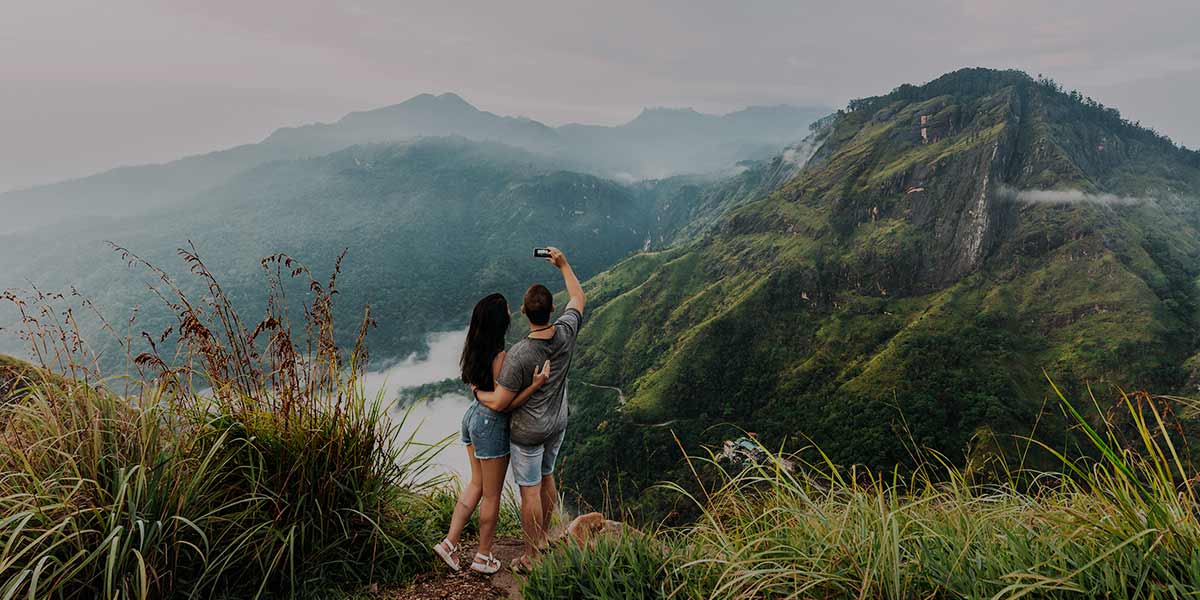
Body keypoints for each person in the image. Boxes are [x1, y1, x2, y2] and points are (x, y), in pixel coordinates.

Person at [474, 247, 585, 572]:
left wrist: (478, 391)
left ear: (523, 311)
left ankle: (532, 555)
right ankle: (545, 538)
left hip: (529, 431)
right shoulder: (566, 331)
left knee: (530, 491)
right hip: (558, 422)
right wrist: (564, 264)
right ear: (553, 309)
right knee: (548, 477)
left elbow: (499, 402)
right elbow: (578, 298)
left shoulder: (520, 354)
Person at [433, 293, 550, 574]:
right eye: (508, 310)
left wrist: (477, 392)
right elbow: (503, 403)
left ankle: (449, 543)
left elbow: (478, 388)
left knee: (476, 484)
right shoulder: (500, 357)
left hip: (472, 417)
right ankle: (483, 556)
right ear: (501, 321)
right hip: (491, 425)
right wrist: (534, 386)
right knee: (492, 495)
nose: (512, 312)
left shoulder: (473, 346)